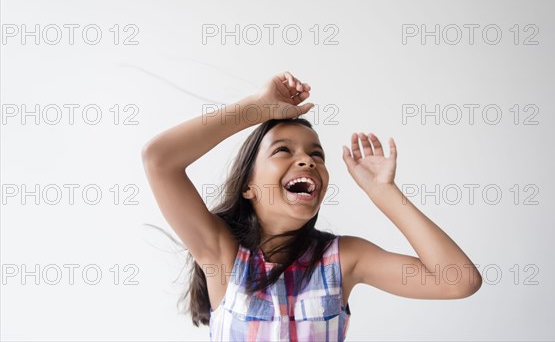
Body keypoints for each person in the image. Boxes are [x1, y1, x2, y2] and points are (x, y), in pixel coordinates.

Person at [141, 71, 483, 341]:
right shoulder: (221, 254)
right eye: (283, 151)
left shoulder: (344, 258)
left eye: (316, 154)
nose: (306, 160)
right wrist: (256, 108)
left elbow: (458, 281)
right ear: (247, 186)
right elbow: (159, 160)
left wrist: (384, 193)